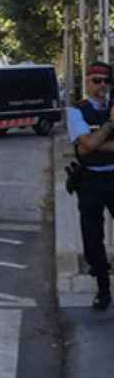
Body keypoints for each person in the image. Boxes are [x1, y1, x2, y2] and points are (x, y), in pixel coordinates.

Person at [68, 61, 114, 310]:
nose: (102, 86)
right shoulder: (77, 111)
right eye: (96, 81)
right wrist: (110, 125)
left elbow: (91, 145)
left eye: (106, 81)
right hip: (90, 181)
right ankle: (103, 290)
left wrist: (95, 142)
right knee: (93, 240)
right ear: (87, 82)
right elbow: (86, 147)